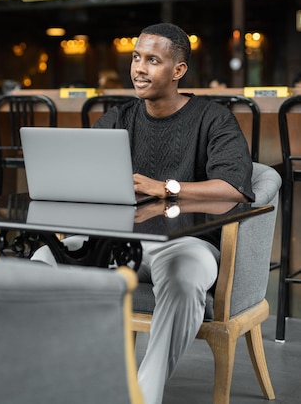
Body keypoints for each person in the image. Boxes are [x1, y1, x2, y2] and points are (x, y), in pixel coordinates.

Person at [33, 22, 254, 404]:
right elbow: (84, 171)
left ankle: (141, 395)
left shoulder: (213, 118)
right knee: (42, 257)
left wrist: (165, 187)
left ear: (178, 70)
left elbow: (233, 189)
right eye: (136, 58)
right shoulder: (120, 118)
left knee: (185, 283)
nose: (139, 68)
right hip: (117, 241)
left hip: (186, 243)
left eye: (152, 60)